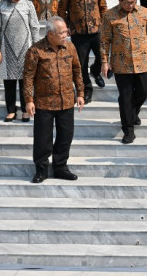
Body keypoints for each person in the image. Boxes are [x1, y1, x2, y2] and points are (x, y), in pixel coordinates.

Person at [23, 16, 84, 184]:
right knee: (43, 139)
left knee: (66, 135)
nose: (65, 35)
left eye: (66, 31)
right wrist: (29, 100)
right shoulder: (36, 51)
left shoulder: (70, 47)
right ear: (50, 34)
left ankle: (61, 167)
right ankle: (41, 169)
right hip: (44, 102)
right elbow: (28, 77)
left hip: (66, 100)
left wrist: (80, 93)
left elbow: (77, 70)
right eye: (61, 32)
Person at [100, 0, 147, 144]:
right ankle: (128, 129)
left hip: (143, 60)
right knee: (125, 97)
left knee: (144, 90)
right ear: (120, 0)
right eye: (127, 3)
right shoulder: (110, 15)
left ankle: (132, 114)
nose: (130, 5)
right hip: (121, 63)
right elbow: (104, 41)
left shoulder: (145, 12)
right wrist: (104, 62)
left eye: (133, 2)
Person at [0, 0, 40, 122]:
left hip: (26, 47)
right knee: (9, 81)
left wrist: (36, 49)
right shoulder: (0, 6)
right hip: (7, 49)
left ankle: (26, 109)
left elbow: (35, 27)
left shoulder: (28, 5)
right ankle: (11, 110)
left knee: (26, 81)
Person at [59, 0, 107, 103]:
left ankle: (95, 71)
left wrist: (105, 24)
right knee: (81, 63)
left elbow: (103, 7)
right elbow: (62, 8)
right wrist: (65, 26)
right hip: (78, 32)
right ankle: (87, 88)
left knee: (102, 57)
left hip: (96, 30)